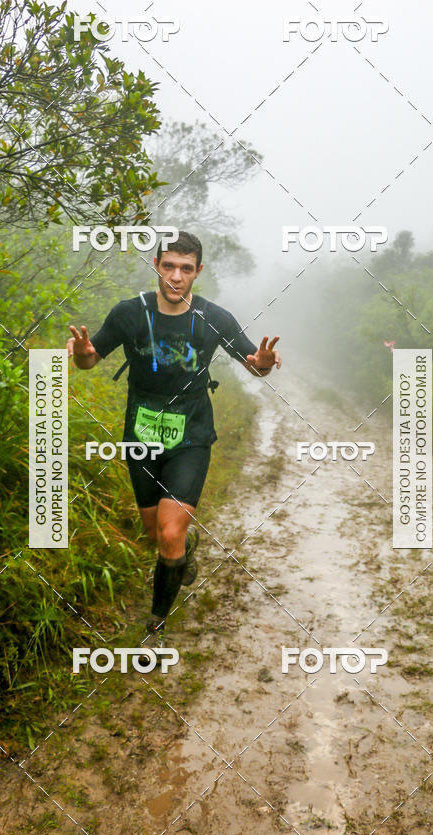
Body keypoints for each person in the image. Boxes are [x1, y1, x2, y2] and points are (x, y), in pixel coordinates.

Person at [67, 231, 281, 653]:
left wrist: (264, 364)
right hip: (140, 435)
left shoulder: (214, 318)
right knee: (156, 532)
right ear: (156, 266)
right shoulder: (130, 313)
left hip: (192, 434)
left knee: (168, 531)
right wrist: (82, 353)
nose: (176, 276)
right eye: (169, 266)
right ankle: (184, 550)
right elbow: (92, 359)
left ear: (198, 272)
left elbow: (253, 364)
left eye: (186, 268)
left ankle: (154, 626)